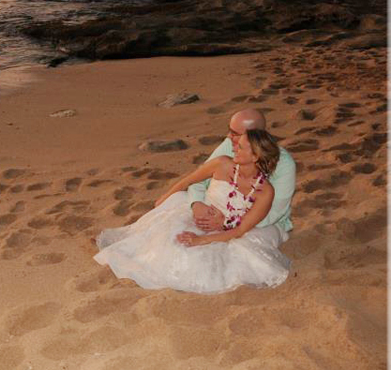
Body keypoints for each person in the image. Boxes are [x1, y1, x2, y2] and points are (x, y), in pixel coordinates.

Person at [93, 129, 291, 293]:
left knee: (198, 258)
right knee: (167, 242)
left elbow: (239, 231)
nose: (234, 145)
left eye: (240, 145)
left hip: (228, 231)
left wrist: (203, 238)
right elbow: (189, 180)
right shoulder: (222, 163)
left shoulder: (265, 192)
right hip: (196, 215)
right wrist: (164, 199)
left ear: (255, 156)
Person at [190, 109, 296, 234]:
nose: (228, 136)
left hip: (259, 224)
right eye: (229, 130)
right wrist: (196, 203)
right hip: (212, 209)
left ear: (254, 137)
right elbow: (199, 180)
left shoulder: (285, 164)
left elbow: (275, 212)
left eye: (234, 133)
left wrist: (227, 222)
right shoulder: (229, 144)